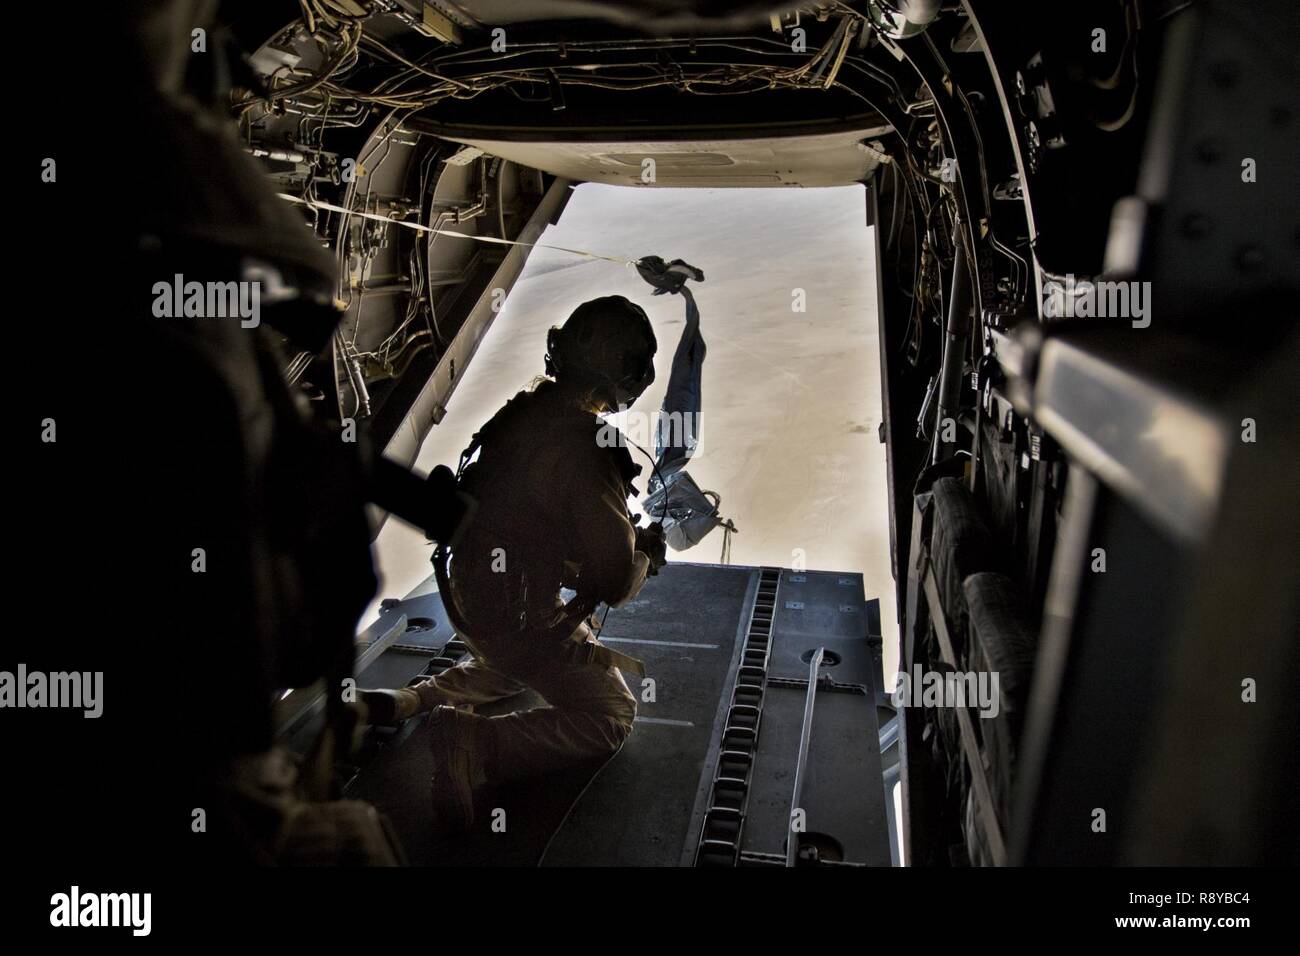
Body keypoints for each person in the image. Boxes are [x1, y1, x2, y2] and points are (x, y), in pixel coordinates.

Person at [363, 295, 669, 829]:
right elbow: (616, 580)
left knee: (515, 662)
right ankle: (476, 744)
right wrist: (645, 552)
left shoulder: (524, 412)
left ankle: (412, 700)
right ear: (623, 373)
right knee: (611, 716)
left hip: (470, 599)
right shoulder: (587, 449)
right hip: (517, 613)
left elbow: (522, 516)